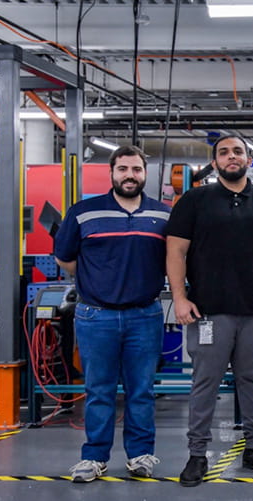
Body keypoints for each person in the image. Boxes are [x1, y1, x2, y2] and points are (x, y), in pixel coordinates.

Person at [166, 135, 253, 487]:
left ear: (248, 159)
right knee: (205, 382)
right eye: (223, 152)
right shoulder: (194, 201)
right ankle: (197, 455)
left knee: (252, 381)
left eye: (237, 151)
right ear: (215, 161)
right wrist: (179, 298)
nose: (231, 156)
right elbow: (176, 251)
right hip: (209, 312)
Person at [54, 145, 170, 482]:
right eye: (123, 170)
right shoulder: (84, 212)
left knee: (142, 390)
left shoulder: (163, 215)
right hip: (95, 316)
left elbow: (175, 258)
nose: (130, 176)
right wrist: (98, 281)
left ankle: (140, 455)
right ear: (112, 173)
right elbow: (65, 258)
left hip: (145, 315)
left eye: (136, 169)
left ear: (144, 173)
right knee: (99, 390)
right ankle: (94, 458)